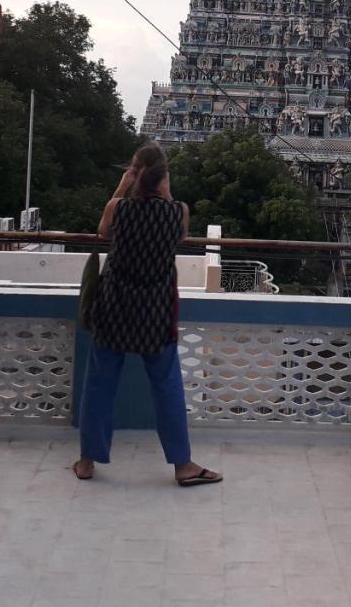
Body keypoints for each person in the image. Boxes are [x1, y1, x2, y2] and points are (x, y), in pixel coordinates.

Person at [72, 143, 222, 487]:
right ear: (164, 177)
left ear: (134, 173)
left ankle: (87, 460)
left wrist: (123, 187)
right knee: (167, 387)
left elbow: (102, 232)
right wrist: (165, 191)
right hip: (156, 312)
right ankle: (182, 464)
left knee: (100, 385)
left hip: (114, 308)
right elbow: (179, 236)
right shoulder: (177, 212)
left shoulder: (119, 208)